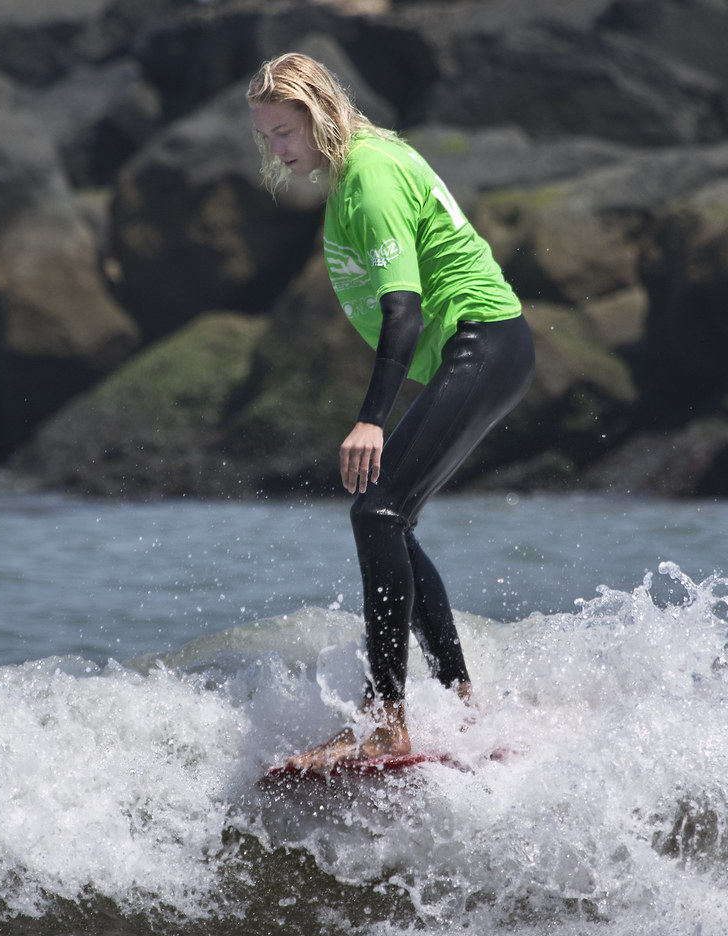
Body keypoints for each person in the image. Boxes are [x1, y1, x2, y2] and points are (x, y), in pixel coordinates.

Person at [247, 53, 534, 771]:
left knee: (374, 512)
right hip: (486, 347)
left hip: (483, 343)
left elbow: (400, 311)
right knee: (389, 520)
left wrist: (370, 418)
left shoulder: (369, 177)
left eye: (284, 133)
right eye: (266, 137)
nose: (276, 150)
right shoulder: (358, 169)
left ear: (319, 117)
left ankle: (384, 720)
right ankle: (462, 702)